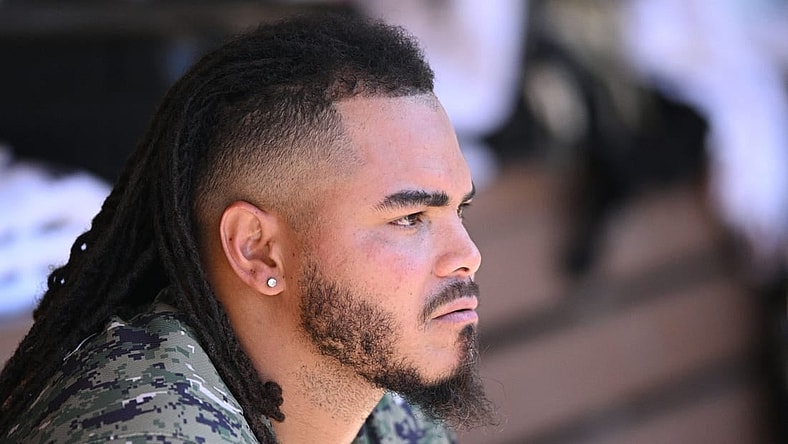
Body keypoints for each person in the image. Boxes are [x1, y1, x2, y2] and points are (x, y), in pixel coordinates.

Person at [0, 13, 494, 444]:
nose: (467, 255)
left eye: (459, 211)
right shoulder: (150, 428)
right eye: (409, 218)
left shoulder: (381, 403)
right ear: (257, 251)